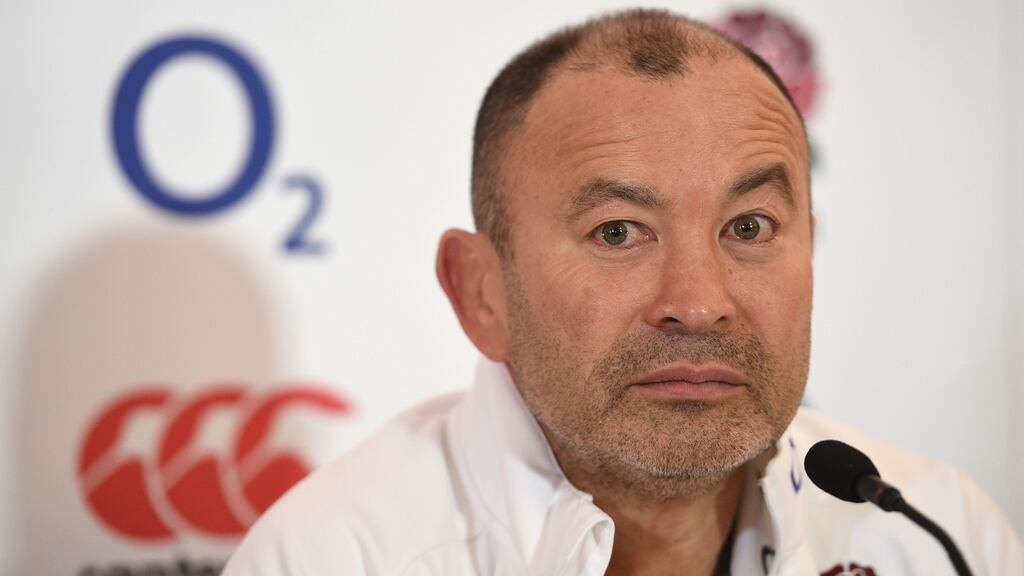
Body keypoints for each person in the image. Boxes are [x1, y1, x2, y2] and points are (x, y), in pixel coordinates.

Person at [223, 9, 1023, 575]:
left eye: (748, 227)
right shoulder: (330, 558)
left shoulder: (937, 534)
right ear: (481, 295)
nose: (699, 301)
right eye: (618, 232)